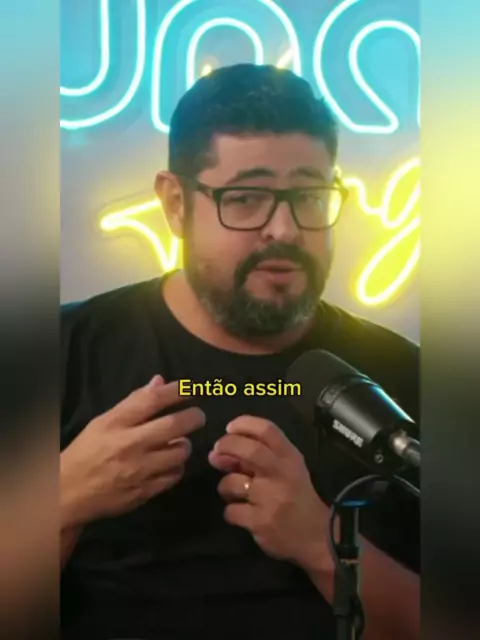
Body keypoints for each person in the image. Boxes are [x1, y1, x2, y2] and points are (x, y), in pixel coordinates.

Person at [61, 64, 420, 639]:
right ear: (176, 203)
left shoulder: (404, 377)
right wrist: (61, 500)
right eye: (247, 198)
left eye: (309, 196)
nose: (285, 229)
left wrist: (320, 544)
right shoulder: (64, 353)